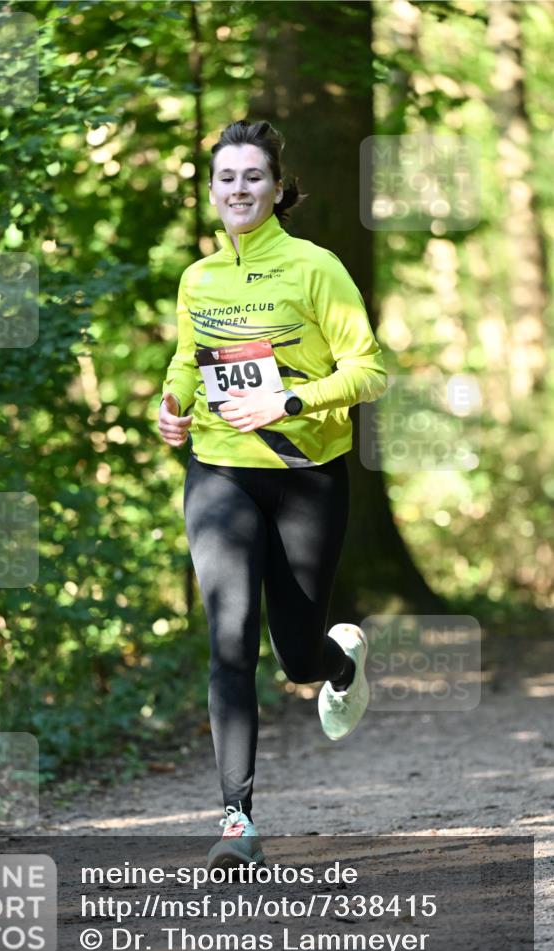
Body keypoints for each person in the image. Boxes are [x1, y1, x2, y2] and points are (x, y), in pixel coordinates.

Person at [158, 119, 388, 871]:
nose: (238, 190)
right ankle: (236, 820)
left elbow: (369, 371)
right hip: (218, 470)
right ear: (212, 190)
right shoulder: (199, 277)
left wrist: (289, 404)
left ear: (278, 188)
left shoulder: (314, 268)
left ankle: (339, 659)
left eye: (252, 177)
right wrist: (172, 404)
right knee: (228, 639)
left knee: (293, 656)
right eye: (226, 178)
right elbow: (189, 357)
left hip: (304, 475)